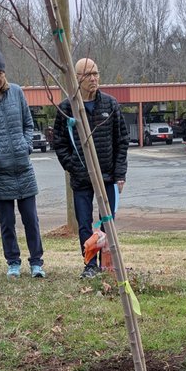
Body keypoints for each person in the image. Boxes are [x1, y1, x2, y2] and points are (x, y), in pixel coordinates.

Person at [53, 57, 128, 278]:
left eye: (96, 73)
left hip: (108, 176)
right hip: (81, 178)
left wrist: (120, 173)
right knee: (84, 222)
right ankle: (90, 265)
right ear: (77, 79)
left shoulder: (111, 105)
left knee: (108, 221)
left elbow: (122, 140)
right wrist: (73, 166)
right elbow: (59, 142)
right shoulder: (68, 108)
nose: (93, 79)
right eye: (88, 75)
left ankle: (108, 262)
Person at [0, 47, 45, 279]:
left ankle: (36, 262)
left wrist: (26, 145)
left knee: (31, 220)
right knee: (7, 222)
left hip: (23, 168)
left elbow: (29, 124)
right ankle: (13, 262)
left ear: (4, 73)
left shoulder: (17, 92)